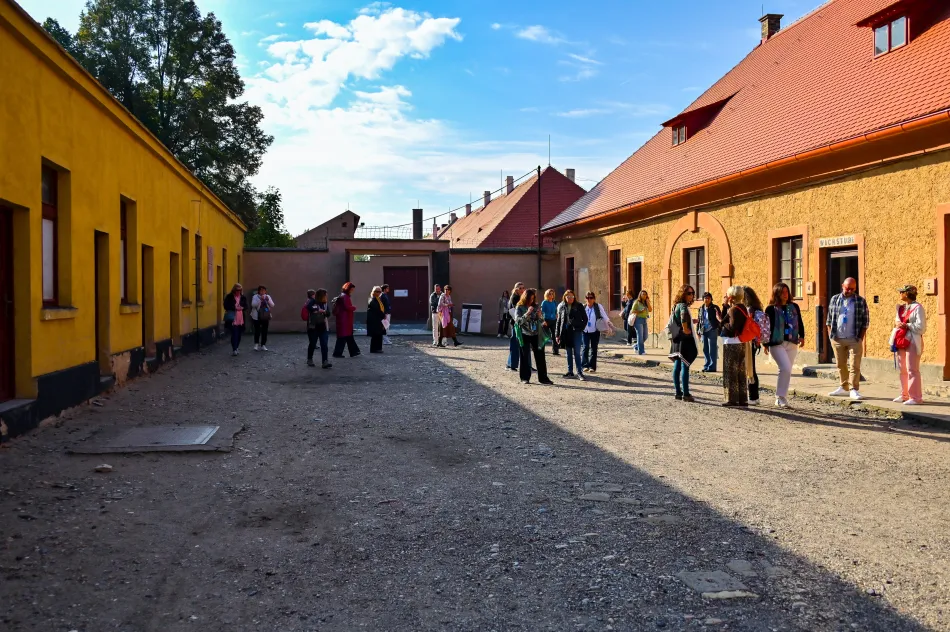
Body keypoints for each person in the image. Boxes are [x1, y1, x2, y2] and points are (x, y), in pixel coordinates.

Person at [826, 277, 870, 400]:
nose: (849, 291)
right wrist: (831, 336)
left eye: (852, 289)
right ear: (842, 286)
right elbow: (829, 319)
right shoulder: (834, 299)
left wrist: (860, 338)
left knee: (854, 365)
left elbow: (865, 321)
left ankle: (853, 389)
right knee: (840, 364)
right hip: (837, 338)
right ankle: (843, 386)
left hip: (854, 338)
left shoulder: (860, 301)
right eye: (847, 288)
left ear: (855, 288)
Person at [764, 282, 805, 408]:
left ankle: (781, 397)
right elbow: (766, 327)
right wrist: (765, 343)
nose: (785, 295)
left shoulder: (794, 307)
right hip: (776, 343)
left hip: (792, 341)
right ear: (777, 293)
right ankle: (780, 397)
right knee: (785, 368)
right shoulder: (771, 309)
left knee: (786, 370)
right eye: (782, 292)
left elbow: (800, 321)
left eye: (787, 292)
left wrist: (802, 336)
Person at [892, 285, 926, 405]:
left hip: (912, 340)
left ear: (907, 293)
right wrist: (898, 324)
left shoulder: (918, 308)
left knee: (912, 369)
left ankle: (916, 397)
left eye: (902, 291)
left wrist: (907, 325)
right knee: (902, 369)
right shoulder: (901, 308)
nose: (900, 293)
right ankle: (904, 394)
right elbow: (896, 321)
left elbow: (921, 327)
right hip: (901, 340)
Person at [514, 288, 552, 385]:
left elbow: (542, 322)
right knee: (525, 356)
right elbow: (518, 321)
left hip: (536, 334)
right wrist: (527, 313)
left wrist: (540, 316)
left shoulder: (536, 306)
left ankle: (543, 378)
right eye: (530, 299)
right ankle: (524, 378)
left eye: (533, 298)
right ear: (525, 298)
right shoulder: (519, 307)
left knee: (540, 356)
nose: (531, 301)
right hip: (524, 334)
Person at [719, 285, 749, 407]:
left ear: (731, 297)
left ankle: (732, 399)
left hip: (731, 343)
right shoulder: (743, 308)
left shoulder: (733, 310)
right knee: (741, 372)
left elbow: (731, 327)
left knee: (730, 371)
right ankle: (743, 399)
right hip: (741, 343)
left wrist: (721, 322)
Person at [668, 285, 697, 402]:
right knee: (685, 364)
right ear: (683, 294)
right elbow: (683, 318)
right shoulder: (683, 306)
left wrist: (691, 321)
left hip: (676, 339)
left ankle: (678, 392)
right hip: (684, 339)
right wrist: (686, 328)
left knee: (677, 365)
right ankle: (686, 393)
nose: (691, 296)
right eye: (689, 293)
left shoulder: (675, 306)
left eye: (692, 293)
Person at [743, 287, 769, 405]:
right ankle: (754, 396)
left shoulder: (747, 311)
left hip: (747, 343)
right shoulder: (757, 310)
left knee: (749, 369)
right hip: (754, 343)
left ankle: (753, 396)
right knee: (751, 368)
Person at [555, 289, 588, 380]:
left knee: (577, 352)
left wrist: (580, 328)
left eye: (572, 296)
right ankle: (570, 371)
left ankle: (580, 372)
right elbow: (558, 321)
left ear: (574, 297)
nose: (570, 298)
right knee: (568, 352)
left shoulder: (579, 306)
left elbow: (585, 319)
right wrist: (557, 334)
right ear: (565, 297)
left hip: (576, 332)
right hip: (566, 332)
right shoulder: (562, 306)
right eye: (568, 296)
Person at [581, 291, 610, 373]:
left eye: (591, 298)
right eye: (587, 298)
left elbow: (604, 316)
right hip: (585, 330)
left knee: (594, 348)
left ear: (594, 299)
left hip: (595, 331)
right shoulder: (583, 307)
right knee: (585, 347)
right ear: (585, 299)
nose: (589, 299)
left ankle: (592, 366)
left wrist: (609, 325)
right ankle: (585, 365)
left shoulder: (598, 307)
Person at [332, 282, 361, 358]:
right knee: (344, 337)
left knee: (348, 336)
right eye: (351, 289)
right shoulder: (345, 297)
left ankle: (354, 351)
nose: (352, 291)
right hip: (345, 320)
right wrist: (353, 307)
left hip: (344, 320)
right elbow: (347, 307)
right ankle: (338, 353)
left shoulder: (342, 296)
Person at [305, 288, 331, 368]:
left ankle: (325, 361)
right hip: (313, 326)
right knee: (312, 344)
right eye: (325, 295)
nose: (326, 297)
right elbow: (308, 307)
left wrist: (324, 311)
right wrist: (316, 309)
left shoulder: (325, 303)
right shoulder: (313, 301)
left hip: (322, 326)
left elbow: (328, 313)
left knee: (324, 344)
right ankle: (310, 359)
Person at [696, 292, 722, 372]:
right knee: (705, 349)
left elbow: (719, 318)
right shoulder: (701, 308)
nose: (707, 300)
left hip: (712, 330)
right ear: (703, 299)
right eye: (705, 298)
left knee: (712, 349)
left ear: (711, 299)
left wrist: (718, 328)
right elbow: (699, 320)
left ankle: (712, 367)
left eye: (708, 298)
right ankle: (706, 365)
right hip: (704, 331)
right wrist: (698, 331)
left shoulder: (715, 308)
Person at [223, 283, 248, 356]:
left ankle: (237, 347)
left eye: (240, 290)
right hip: (233, 317)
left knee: (239, 334)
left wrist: (242, 307)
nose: (238, 292)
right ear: (234, 290)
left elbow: (246, 306)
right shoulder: (229, 297)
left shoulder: (243, 297)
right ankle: (234, 348)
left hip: (241, 317)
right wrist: (235, 308)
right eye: (237, 290)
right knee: (234, 333)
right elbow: (226, 305)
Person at [506, 282, 526, 371]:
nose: (522, 290)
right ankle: (512, 364)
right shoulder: (514, 298)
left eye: (523, 288)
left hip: (521, 323)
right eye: (520, 288)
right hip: (516, 324)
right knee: (515, 343)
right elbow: (514, 312)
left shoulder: (522, 298)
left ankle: (511, 364)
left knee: (521, 344)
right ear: (516, 289)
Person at [250, 285, 274, 351]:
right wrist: (260, 300)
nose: (262, 292)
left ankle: (263, 344)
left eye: (264, 290)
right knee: (257, 330)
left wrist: (267, 300)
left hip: (265, 316)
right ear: (258, 291)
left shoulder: (268, 296)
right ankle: (256, 344)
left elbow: (272, 305)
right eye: (261, 290)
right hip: (257, 316)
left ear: (265, 291)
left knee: (264, 331)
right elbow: (253, 305)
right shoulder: (255, 297)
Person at [630, 290, 652, 355]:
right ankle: (641, 351)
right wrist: (640, 311)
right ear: (640, 295)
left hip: (644, 320)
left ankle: (636, 346)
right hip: (638, 320)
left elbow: (650, 310)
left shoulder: (646, 302)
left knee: (645, 336)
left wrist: (648, 302)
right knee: (640, 336)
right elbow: (632, 311)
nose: (644, 295)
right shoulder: (636, 302)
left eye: (645, 294)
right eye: (643, 294)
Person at [367, 286, 387, 353]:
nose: (378, 293)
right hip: (374, 320)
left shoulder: (378, 299)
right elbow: (377, 310)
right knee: (375, 335)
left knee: (379, 334)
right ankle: (374, 349)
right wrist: (383, 315)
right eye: (377, 291)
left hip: (379, 320)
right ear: (373, 292)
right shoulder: (372, 300)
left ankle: (378, 348)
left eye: (380, 292)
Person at [541, 289, 560, 356]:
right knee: (545, 336)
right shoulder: (544, 302)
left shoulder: (554, 302)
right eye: (549, 294)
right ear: (547, 295)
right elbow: (542, 312)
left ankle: (555, 351)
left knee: (555, 336)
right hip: (546, 320)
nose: (551, 295)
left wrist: (557, 315)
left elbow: (556, 311)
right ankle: (541, 350)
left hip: (554, 320)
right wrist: (543, 321)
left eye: (552, 294)